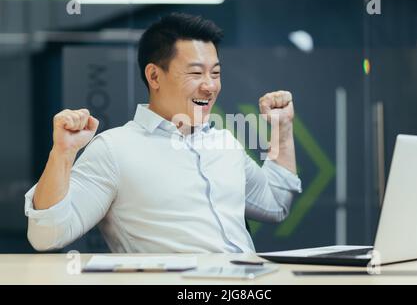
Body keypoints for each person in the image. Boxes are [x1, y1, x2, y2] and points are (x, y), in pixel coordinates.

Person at [24, 13, 302, 253]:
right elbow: (47, 235)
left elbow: (275, 204)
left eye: (215, 74)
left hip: (247, 284)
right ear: (154, 76)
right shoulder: (114, 150)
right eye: (196, 73)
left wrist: (282, 128)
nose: (210, 86)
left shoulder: (224, 142)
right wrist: (62, 153)